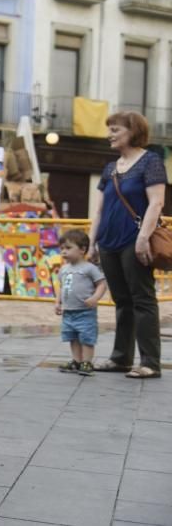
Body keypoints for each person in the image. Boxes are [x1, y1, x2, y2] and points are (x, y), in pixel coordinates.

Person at [89, 111, 167, 379]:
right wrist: (92, 242)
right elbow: (98, 210)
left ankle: (150, 363)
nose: (109, 134)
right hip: (108, 241)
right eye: (109, 129)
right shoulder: (110, 168)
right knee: (121, 300)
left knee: (142, 300)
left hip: (134, 240)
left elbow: (156, 203)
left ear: (132, 132)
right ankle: (121, 358)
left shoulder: (151, 161)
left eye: (115, 129)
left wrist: (143, 238)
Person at [54, 229, 106, 376]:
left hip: (85, 311)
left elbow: (101, 284)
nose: (64, 252)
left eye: (68, 248)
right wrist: (58, 302)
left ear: (82, 249)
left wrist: (95, 298)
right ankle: (76, 360)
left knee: (87, 337)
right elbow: (61, 287)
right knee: (72, 337)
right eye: (62, 248)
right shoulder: (64, 269)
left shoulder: (90, 268)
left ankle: (87, 362)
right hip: (68, 312)